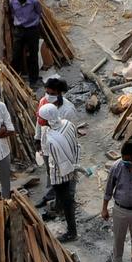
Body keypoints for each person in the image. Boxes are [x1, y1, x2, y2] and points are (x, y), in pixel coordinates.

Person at [39, 102, 79, 242]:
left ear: (47, 119)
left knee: (66, 199)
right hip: (72, 164)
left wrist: (56, 180)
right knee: (64, 196)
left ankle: (71, 232)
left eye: (41, 118)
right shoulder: (68, 124)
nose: (39, 120)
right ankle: (57, 208)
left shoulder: (51, 139)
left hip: (61, 173)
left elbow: (56, 162)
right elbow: (75, 143)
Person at [34, 77, 77, 204]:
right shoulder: (43, 102)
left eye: (52, 94)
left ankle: (68, 200)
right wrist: (37, 139)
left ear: (60, 93)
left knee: (67, 174)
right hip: (46, 146)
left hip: (62, 149)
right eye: (47, 92)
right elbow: (39, 121)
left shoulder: (68, 110)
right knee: (52, 173)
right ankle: (56, 198)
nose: (48, 96)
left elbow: (72, 133)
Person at [9, 0, 42, 85]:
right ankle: (16, 77)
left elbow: (39, 12)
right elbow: (12, 13)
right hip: (19, 30)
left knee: (33, 55)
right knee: (16, 54)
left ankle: (33, 79)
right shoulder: (12, 1)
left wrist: (33, 23)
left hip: (32, 30)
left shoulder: (34, 1)